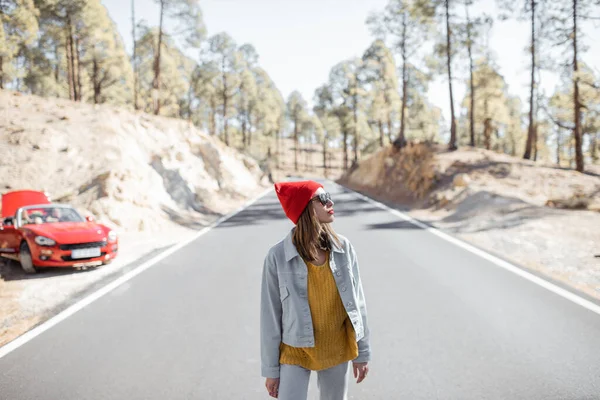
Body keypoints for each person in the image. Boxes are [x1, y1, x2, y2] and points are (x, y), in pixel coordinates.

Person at [260, 180, 371, 400]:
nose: (330, 202)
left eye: (328, 196)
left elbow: (358, 303)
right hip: (295, 349)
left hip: (336, 347)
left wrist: (363, 351)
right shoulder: (277, 257)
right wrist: (271, 371)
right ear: (305, 208)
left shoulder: (343, 248)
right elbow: (270, 317)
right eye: (321, 198)